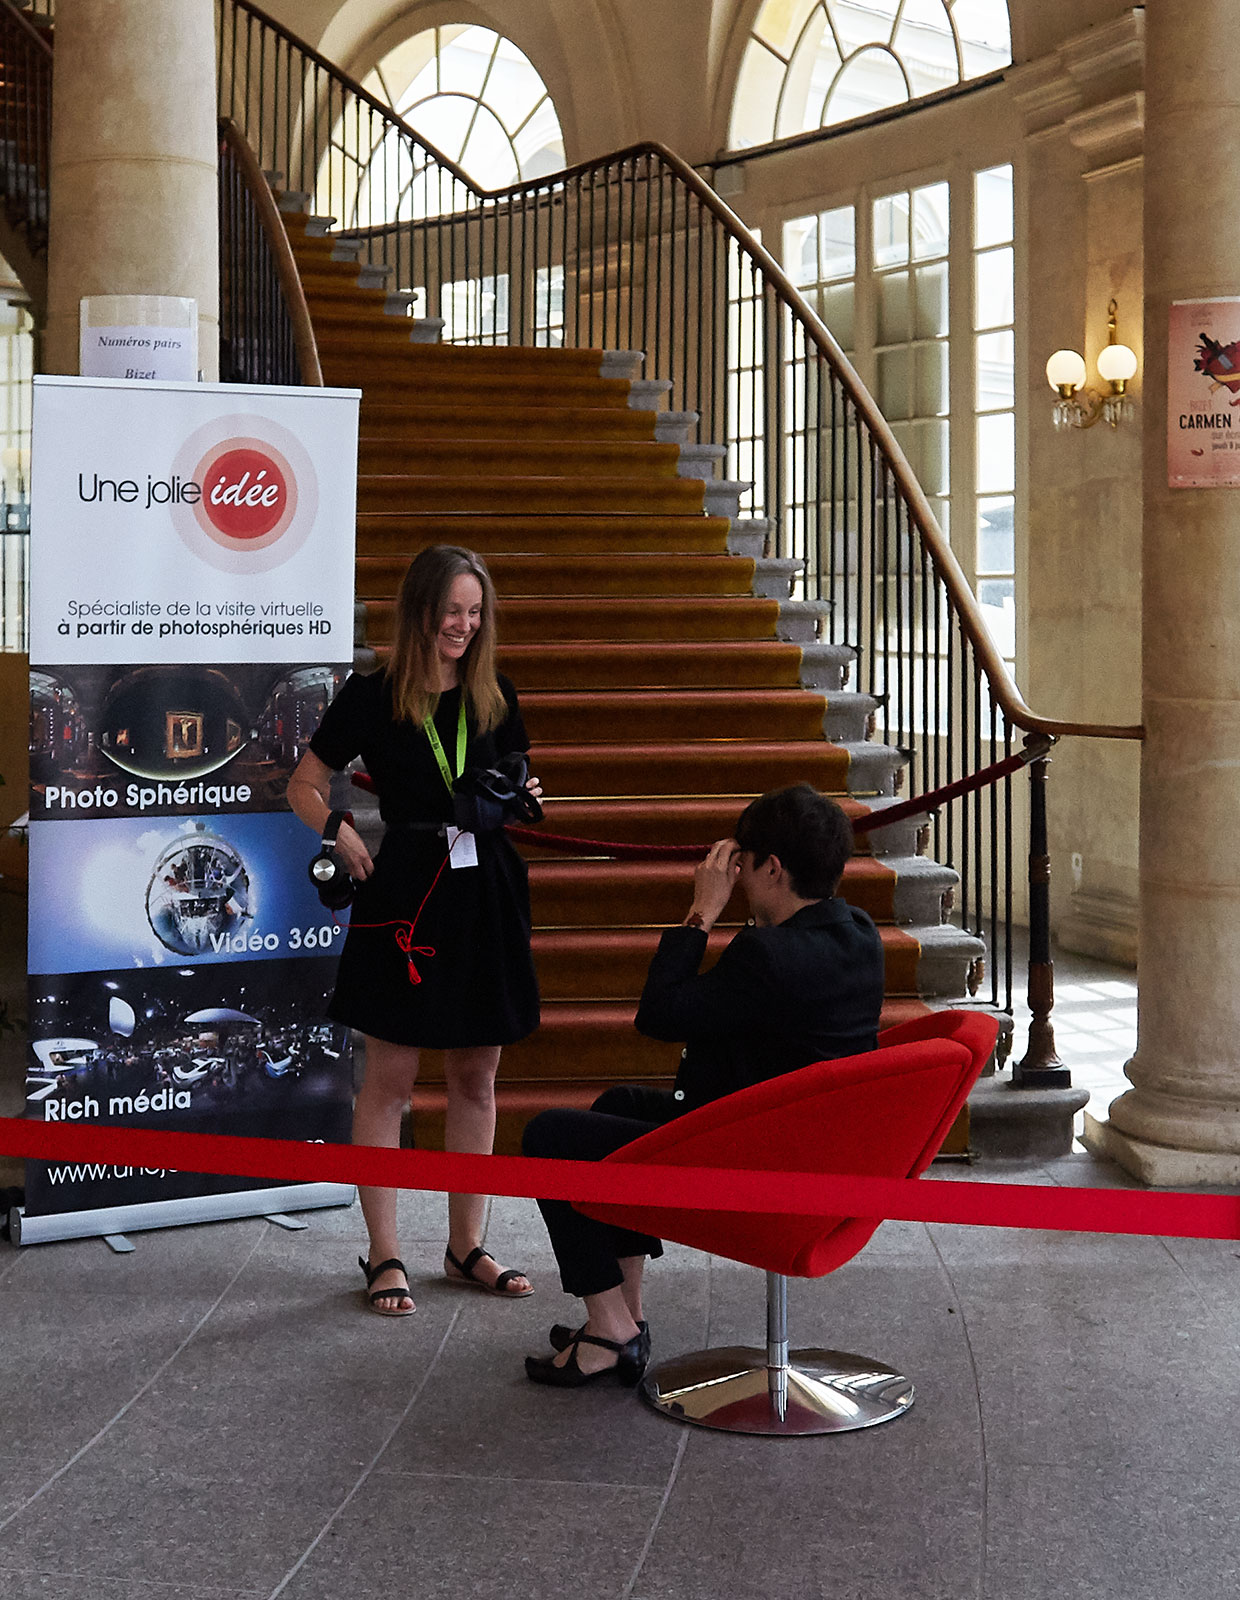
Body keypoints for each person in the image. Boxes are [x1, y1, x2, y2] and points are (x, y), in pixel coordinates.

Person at [521, 782, 885, 1387]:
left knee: (550, 1135)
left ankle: (608, 1333)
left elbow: (658, 1015)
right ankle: (626, 1318)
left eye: (742, 868)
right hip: (809, 1150)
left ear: (772, 867)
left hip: (749, 1164)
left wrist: (702, 911)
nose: (736, 879)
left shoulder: (766, 956)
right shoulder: (859, 933)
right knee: (618, 1106)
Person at [288, 544, 541, 1316]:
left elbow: (517, 782)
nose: (462, 626)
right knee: (390, 1084)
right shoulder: (371, 695)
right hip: (404, 889)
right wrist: (338, 828)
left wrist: (519, 795)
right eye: (450, 613)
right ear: (419, 614)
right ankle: (386, 1252)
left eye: (473, 613)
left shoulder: (495, 694)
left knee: (477, 1077)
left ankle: (467, 1246)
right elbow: (302, 782)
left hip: (485, 891)